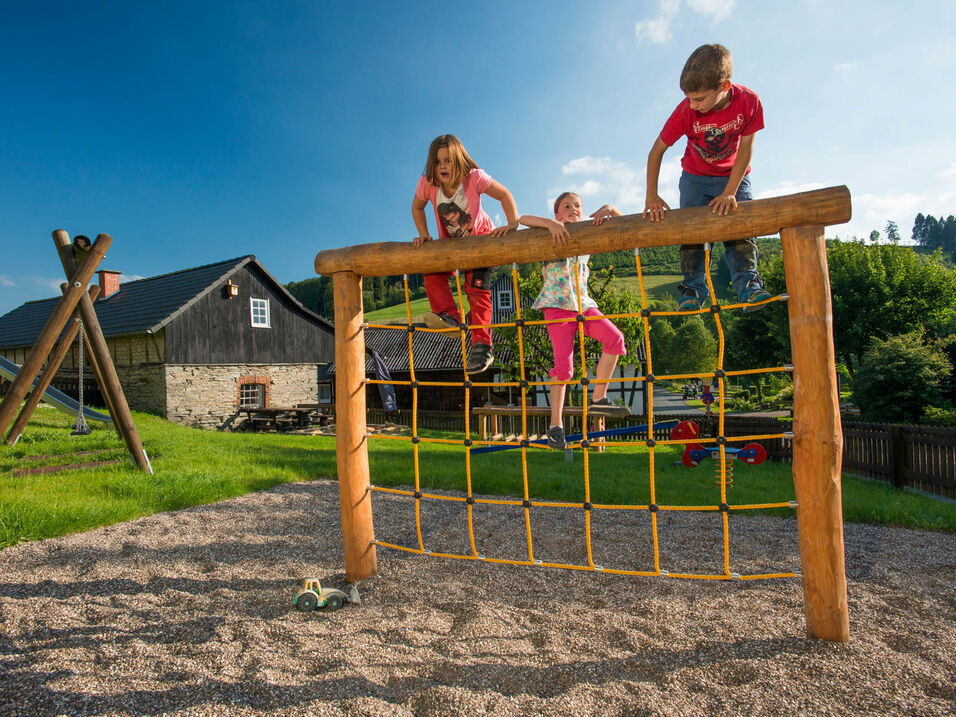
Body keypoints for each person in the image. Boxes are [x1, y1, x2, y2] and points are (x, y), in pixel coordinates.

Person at [643, 43, 771, 312]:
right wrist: (651, 195)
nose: (693, 104)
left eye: (699, 99)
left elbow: (746, 150)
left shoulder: (749, 101)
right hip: (695, 177)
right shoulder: (685, 111)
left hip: (734, 175)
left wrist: (730, 191)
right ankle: (692, 290)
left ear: (724, 87)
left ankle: (748, 286)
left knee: (740, 228)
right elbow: (656, 151)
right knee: (691, 232)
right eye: (689, 98)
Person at [519, 192, 627, 450]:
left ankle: (598, 397)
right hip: (557, 306)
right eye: (566, 206)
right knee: (564, 369)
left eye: (577, 205)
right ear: (557, 214)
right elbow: (521, 218)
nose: (573, 209)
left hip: (583, 305)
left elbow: (626, 226)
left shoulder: (589, 231)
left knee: (615, 338)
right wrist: (549, 224)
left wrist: (610, 208)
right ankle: (556, 427)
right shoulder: (548, 232)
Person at [412, 134, 518, 374]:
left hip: (481, 244)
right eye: (438, 162)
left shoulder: (474, 178)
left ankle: (482, 346)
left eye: (448, 160)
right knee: (431, 273)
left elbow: (504, 194)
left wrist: (512, 224)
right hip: (451, 246)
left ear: (459, 160)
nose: (443, 167)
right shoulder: (428, 183)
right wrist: (424, 233)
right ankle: (449, 316)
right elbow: (417, 207)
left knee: (477, 292)